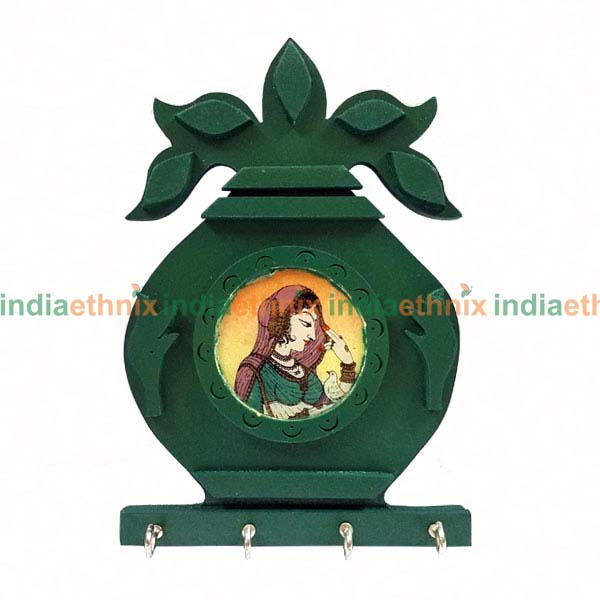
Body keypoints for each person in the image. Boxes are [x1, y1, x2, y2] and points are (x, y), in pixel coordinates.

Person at [234, 284, 356, 419]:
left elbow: (335, 410)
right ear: (282, 320)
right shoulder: (253, 371)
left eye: (314, 326)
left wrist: (347, 363)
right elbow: (250, 420)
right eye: (306, 324)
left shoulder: (305, 370)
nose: (312, 336)